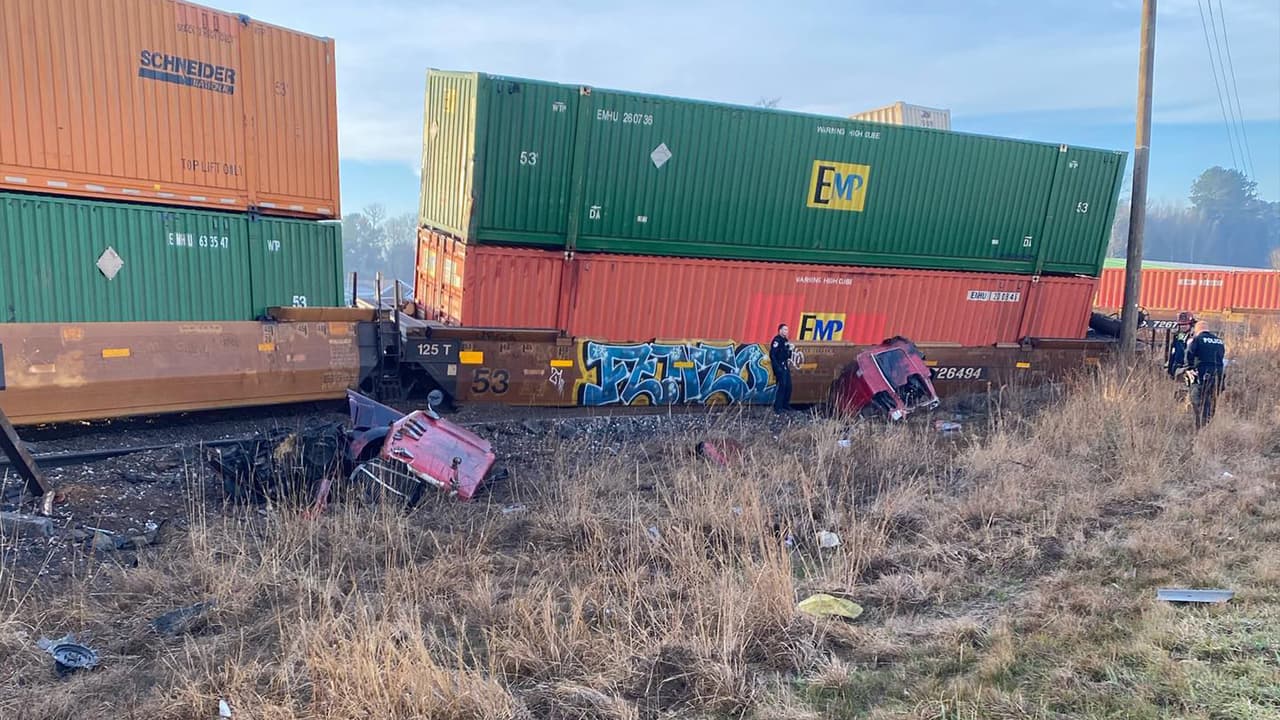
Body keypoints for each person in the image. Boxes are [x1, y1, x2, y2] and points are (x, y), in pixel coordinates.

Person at [1184, 320, 1226, 428]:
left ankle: (1201, 427)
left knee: (1198, 401)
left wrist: (1189, 368)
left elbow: (1189, 353)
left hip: (1203, 374)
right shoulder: (1219, 341)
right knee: (1212, 401)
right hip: (1218, 375)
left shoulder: (1197, 339)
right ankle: (1209, 424)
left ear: (1197, 330)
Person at [770, 324, 793, 413]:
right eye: (784, 329)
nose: (786, 331)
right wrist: (777, 367)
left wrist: (790, 350)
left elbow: (788, 355)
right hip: (779, 365)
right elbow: (772, 354)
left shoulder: (785, 341)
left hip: (785, 365)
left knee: (788, 386)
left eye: (787, 330)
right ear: (780, 330)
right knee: (782, 386)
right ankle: (778, 407)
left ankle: (785, 405)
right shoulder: (777, 340)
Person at [1167, 312, 1195, 379]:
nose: (1183, 327)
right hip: (1177, 367)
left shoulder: (1195, 337)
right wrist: (1170, 369)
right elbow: (1173, 354)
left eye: (1185, 324)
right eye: (1181, 325)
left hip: (1189, 368)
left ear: (1191, 324)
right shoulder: (1177, 336)